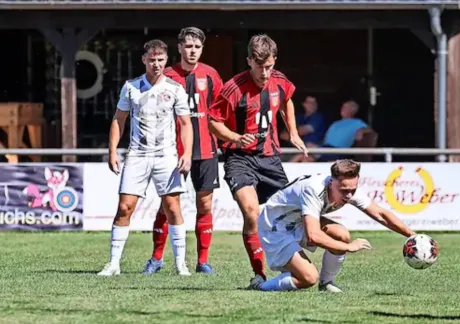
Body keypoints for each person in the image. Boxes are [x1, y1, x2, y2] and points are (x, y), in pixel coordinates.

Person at [208, 34, 308, 288]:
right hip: (239, 159)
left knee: (290, 214)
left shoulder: (280, 81)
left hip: (270, 159)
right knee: (252, 213)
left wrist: (293, 132)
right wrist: (235, 137)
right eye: (260, 66)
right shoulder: (233, 88)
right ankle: (259, 274)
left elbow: (287, 102)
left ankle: (298, 265)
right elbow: (212, 121)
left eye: (269, 67)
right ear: (249, 61)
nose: (265, 73)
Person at [98, 39, 193, 276]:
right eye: (152, 60)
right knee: (124, 207)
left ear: (166, 60)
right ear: (144, 60)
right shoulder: (131, 87)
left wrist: (187, 153)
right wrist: (112, 151)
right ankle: (113, 264)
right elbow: (118, 120)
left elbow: (185, 123)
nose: (157, 64)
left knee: (172, 207)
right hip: (137, 155)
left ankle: (181, 264)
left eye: (161, 60)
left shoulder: (175, 88)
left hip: (166, 156)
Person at [250, 159, 416, 292]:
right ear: (331, 182)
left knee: (341, 233)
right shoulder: (313, 189)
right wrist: (349, 247)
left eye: (353, 189)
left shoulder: (348, 188)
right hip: (275, 227)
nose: (349, 195)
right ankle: (261, 286)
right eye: (344, 190)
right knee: (308, 279)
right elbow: (313, 235)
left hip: (297, 220)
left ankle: (326, 283)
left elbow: (380, 214)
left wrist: (412, 235)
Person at [142, 27, 222, 275]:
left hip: (206, 150)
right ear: (179, 48)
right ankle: (156, 258)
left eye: (197, 47)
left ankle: (203, 261)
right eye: (188, 46)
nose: (193, 51)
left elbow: (219, 112)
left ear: (202, 49)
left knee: (205, 204)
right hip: (171, 151)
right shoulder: (165, 75)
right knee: (168, 205)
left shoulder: (211, 75)